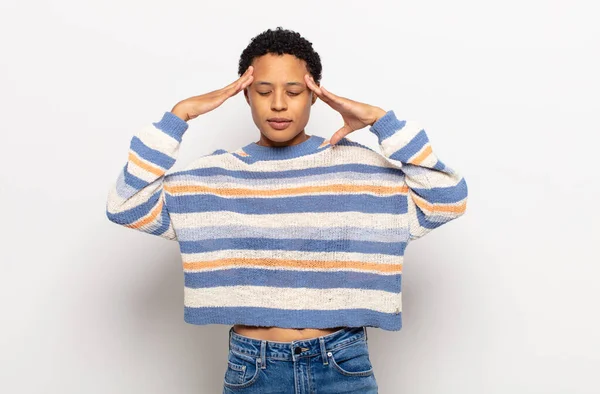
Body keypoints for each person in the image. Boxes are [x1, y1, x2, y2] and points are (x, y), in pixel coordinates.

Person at [106, 27, 468, 393]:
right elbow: (125, 204)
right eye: (263, 91)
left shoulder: (359, 169)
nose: (278, 103)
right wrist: (178, 117)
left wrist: (379, 120)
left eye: (294, 92)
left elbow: (447, 198)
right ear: (245, 94)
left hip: (343, 364)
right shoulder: (215, 177)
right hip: (254, 368)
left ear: (314, 95)